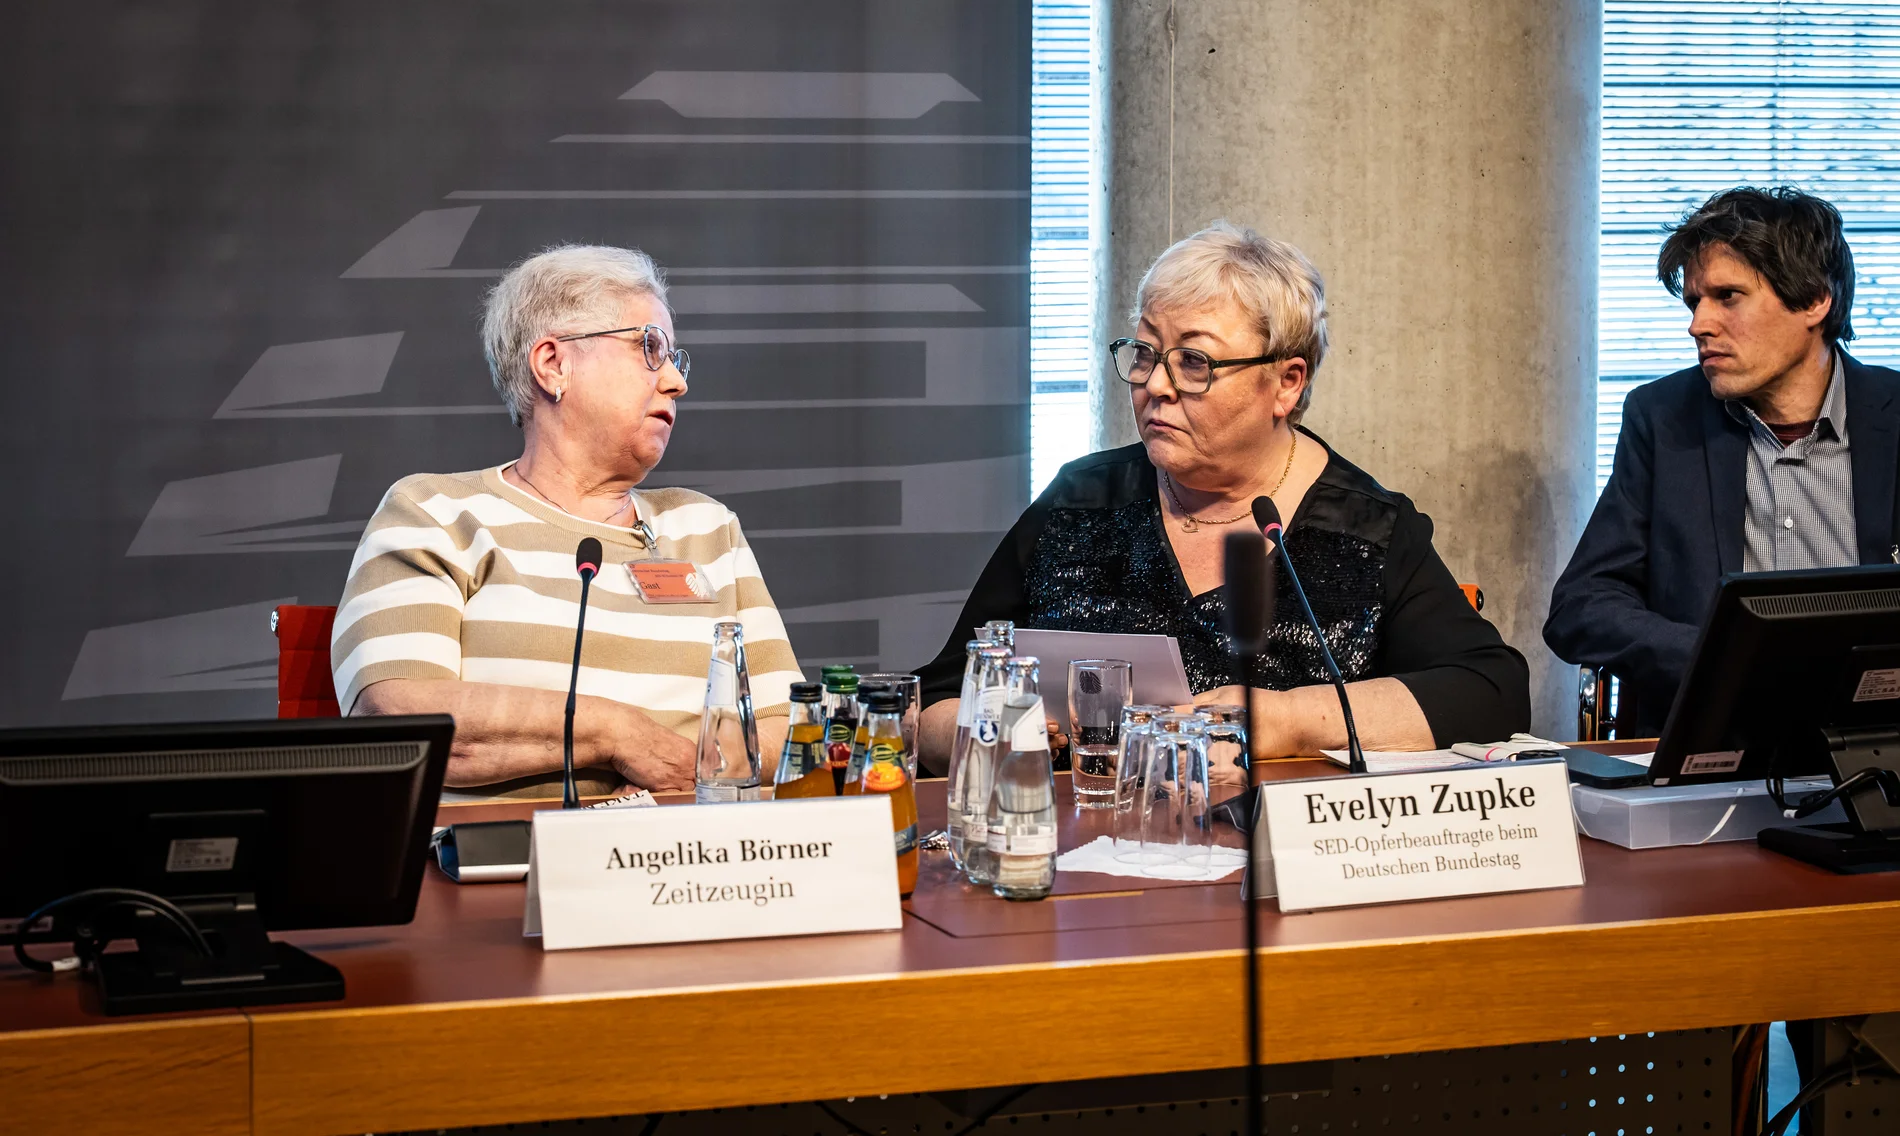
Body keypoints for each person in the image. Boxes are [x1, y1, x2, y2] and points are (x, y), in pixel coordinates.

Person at [915, 221, 1530, 778]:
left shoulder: (1366, 529)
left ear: (1286, 383)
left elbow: (1490, 693)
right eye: (1147, 354)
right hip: (1081, 862)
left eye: (1194, 362)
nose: (1156, 385)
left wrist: (1284, 721)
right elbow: (935, 701)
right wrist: (998, 730)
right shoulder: (1080, 501)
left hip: (1275, 868)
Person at [331, 245, 803, 798]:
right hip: (496, 868)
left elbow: (792, 731)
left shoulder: (706, 528)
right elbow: (399, 718)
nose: (676, 381)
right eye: (649, 348)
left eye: (676, 358)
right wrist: (614, 733)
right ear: (554, 364)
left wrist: (681, 777)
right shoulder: (435, 513)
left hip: (689, 864)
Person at [1545, 187, 1900, 736]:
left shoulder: (1893, 419)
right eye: (1694, 302)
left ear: (1813, 300)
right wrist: (1714, 657)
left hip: (1878, 738)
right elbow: (1581, 606)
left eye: (1727, 296)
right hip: (1714, 746)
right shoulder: (1662, 420)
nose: (1698, 325)